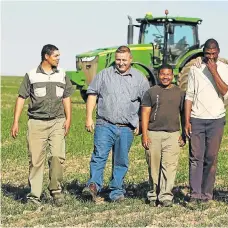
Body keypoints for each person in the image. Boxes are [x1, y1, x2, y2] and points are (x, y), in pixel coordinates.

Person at [82, 46, 150, 202]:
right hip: (104, 124)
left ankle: (116, 191)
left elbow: (146, 102)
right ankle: (93, 186)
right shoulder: (104, 75)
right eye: (118, 60)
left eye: (124, 60)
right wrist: (88, 117)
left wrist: (140, 121)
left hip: (127, 127)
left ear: (130, 59)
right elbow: (92, 94)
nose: (121, 63)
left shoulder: (139, 78)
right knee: (99, 156)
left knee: (121, 160)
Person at [11, 44, 73, 206]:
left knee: (57, 156)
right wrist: (16, 122)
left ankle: (56, 190)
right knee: (36, 160)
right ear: (46, 57)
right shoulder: (31, 75)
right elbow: (21, 98)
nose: (58, 59)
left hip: (57, 122)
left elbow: (66, 97)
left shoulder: (62, 75)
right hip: (36, 123)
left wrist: (68, 119)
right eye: (55, 56)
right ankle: (34, 196)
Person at [184, 38, 228, 208]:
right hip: (197, 118)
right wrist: (187, 120)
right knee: (196, 157)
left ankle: (207, 194)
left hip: (216, 119)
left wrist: (214, 71)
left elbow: (225, 91)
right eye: (207, 54)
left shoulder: (225, 69)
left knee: (211, 157)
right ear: (203, 52)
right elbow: (189, 95)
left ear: (218, 52)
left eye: (213, 53)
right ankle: (195, 193)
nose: (210, 57)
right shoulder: (195, 68)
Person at [141, 64, 186, 207]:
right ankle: (153, 195)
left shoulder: (180, 93)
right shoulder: (151, 92)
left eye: (168, 74)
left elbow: (184, 114)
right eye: (162, 74)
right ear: (158, 75)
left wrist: (184, 134)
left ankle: (166, 196)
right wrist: (144, 134)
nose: (165, 77)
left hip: (173, 134)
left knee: (169, 166)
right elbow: (145, 113)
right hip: (153, 133)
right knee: (153, 167)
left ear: (173, 76)